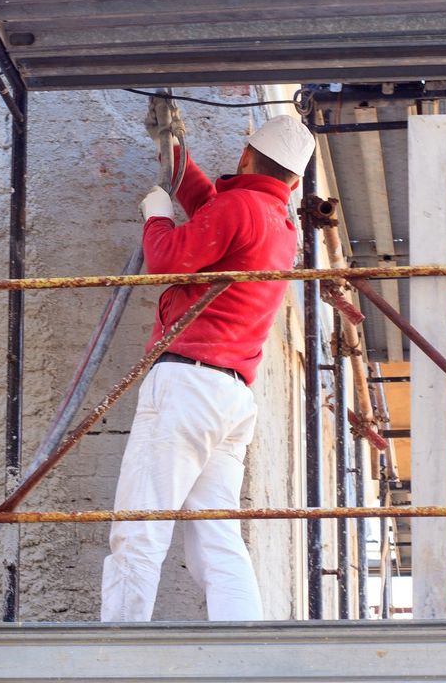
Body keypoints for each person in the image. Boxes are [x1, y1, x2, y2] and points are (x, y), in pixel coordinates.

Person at [99, 108, 315, 622]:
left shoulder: (238, 208)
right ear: (295, 180)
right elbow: (214, 208)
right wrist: (175, 158)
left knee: (141, 525)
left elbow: (169, 261)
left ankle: (114, 654)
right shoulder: (281, 226)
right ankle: (246, 649)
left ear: (246, 157)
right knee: (217, 534)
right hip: (232, 398)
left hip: (187, 385)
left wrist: (157, 214)